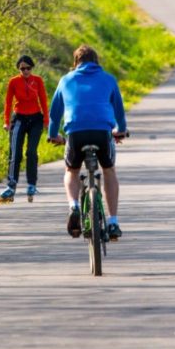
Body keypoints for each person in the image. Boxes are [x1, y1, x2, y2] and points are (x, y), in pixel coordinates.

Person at [47, 45, 129, 239]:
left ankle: (74, 206)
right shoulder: (108, 79)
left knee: (72, 170)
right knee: (108, 170)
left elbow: (55, 113)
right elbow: (119, 110)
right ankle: (113, 222)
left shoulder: (65, 80)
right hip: (102, 132)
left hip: (76, 133)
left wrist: (53, 135)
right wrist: (121, 130)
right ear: (96, 61)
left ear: (75, 63)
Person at [0, 54, 49, 203]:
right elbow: (8, 103)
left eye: (28, 68)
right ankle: (11, 185)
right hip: (19, 118)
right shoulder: (13, 82)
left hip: (35, 119)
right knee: (15, 153)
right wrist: (6, 122)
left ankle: (32, 184)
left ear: (31, 68)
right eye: (22, 69)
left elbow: (43, 100)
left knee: (31, 152)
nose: (25, 71)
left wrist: (46, 120)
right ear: (19, 69)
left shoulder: (38, 81)